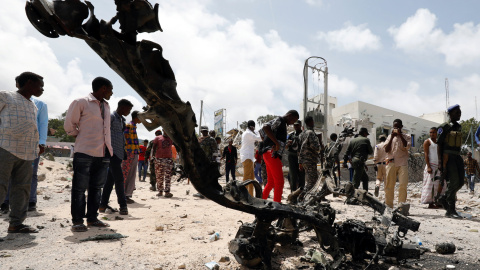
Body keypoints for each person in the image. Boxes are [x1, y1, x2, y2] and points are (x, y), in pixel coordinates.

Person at [64, 76, 114, 232]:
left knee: (96, 188)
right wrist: (81, 136)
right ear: (104, 88)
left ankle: (92, 219)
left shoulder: (106, 106)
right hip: (84, 151)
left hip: (103, 152)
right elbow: (69, 125)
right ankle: (77, 221)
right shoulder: (81, 102)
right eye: (111, 89)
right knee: (79, 188)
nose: (111, 93)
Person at [0, 72, 44, 233]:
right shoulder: (6, 96)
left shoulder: (32, 104)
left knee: (22, 188)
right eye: (40, 85)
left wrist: (37, 145)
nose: (42, 89)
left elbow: (31, 126)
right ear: (30, 82)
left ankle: (16, 224)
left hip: (27, 153)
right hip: (5, 148)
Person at [99, 99, 133, 216]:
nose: (129, 112)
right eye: (128, 109)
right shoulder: (112, 117)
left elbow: (120, 136)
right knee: (119, 179)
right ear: (123, 107)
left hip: (118, 153)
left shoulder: (121, 120)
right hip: (111, 153)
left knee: (110, 181)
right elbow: (103, 132)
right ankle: (123, 206)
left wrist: (123, 150)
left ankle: (103, 205)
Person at [261, 110, 299, 202]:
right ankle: (277, 206)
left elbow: (262, 133)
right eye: (292, 120)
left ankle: (261, 202)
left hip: (268, 153)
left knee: (271, 182)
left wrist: (280, 143)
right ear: (289, 115)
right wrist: (275, 143)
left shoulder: (281, 123)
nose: (292, 123)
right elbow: (265, 127)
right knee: (279, 182)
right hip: (272, 154)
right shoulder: (280, 120)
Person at [437, 105, 464, 218]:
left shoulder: (458, 127)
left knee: (461, 182)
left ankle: (444, 197)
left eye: (460, 112)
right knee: (453, 182)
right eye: (456, 113)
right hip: (448, 157)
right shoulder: (444, 127)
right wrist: (440, 161)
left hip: (457, 157)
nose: (459, 114)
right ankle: (450, 210)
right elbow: (439, 144)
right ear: (450, 114)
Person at [384, 119, 411, 209]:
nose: (396, 128)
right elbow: (386, 149)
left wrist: (400, 135)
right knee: (389, 185)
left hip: (402, 163)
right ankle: (388, 206)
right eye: (395, 127)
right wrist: (392, 137)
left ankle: (401, 207)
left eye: (398, 127)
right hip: (391, 163)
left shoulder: (407, 136)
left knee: (403, 185)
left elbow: (406, 146)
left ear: (401, 127)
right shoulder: (389, 137)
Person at [420, 127, 445, 208]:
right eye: (430, 132)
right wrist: (429, 167)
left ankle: (438, 201)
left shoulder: (438, 142)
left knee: (440, 184)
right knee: (431, 185)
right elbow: (426, 155)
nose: (432, 134)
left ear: (437, 133)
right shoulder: (427, 142)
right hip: (431, 165)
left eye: (433, 132)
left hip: (438, 166)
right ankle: (430, 203)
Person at [298, 116, 321, 198]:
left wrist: (300, 162)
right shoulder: (311, 133)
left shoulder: (302, 134)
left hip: (304, 160)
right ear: (311, 122)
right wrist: (319, 144)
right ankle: (300, 197)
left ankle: (308, 197)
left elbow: (299, 148)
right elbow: (315, 146)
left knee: (311, 180)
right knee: (312, 181)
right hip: (310, 160)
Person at [122, 110, 142, 204]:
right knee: (126, 173)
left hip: (134, 153)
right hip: (129, 153)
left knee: (131, 174)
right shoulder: (129, 126)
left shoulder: (133, 126)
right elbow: (124, 138)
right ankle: (123, 195)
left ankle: (127, 195)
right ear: (136, 117)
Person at [240, 120, 262, 196]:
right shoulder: (248, 133)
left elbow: (256, 133)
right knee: (246, 177)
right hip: (247, 157)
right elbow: (260, 138)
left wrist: (257, 131)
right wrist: (262, 132)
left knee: (251, 178)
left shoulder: (248, 132)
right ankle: (242, 195)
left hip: (249, 157)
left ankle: (250, 195)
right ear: (252, 127)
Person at [153, 130, 174, 197]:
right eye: (165, 129)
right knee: (159, 176)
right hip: (159, 159)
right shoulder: (158, 138)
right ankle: (160, 191)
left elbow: (174, 147)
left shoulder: (171, 138)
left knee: (168, 176)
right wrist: (153, 156)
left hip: (168, 159)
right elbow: (154, 147)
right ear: (163, 130)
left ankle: (167, 192)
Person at [286, 120, 304, 192]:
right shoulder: (290, 135)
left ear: (301, 126)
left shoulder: (303, 134)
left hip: (301, 156)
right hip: (292, 156)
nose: (296, 127)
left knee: (301, 175)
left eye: (297, 125)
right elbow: (286, 147)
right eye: (295, 125)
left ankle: (301, 193)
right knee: (293, 175)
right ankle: (293, 192)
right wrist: (288, 143)